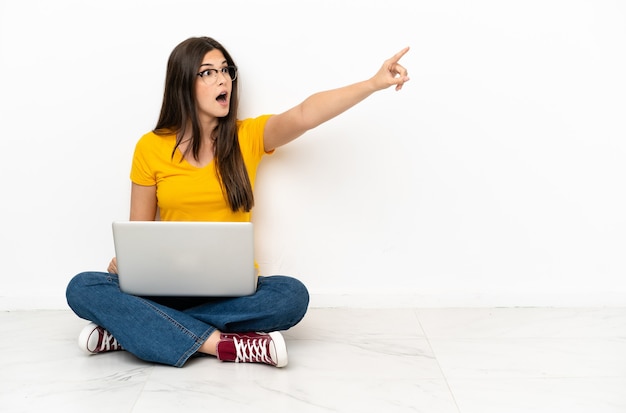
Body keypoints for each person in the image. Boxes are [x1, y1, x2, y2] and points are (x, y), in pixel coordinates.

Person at [65, 36, 409, 368]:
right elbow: (138, 232)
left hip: (231, 293)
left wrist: (372, 83)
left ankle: (130, 333)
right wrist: (123, 261)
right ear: (183, 83)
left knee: (291, 295)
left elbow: (305, 113)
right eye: (208, 71)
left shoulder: (248, 136)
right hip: (163, 290)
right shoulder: (150, 147)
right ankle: (224, 345)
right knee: (82, 286)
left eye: (226, 70)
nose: (223, 79)